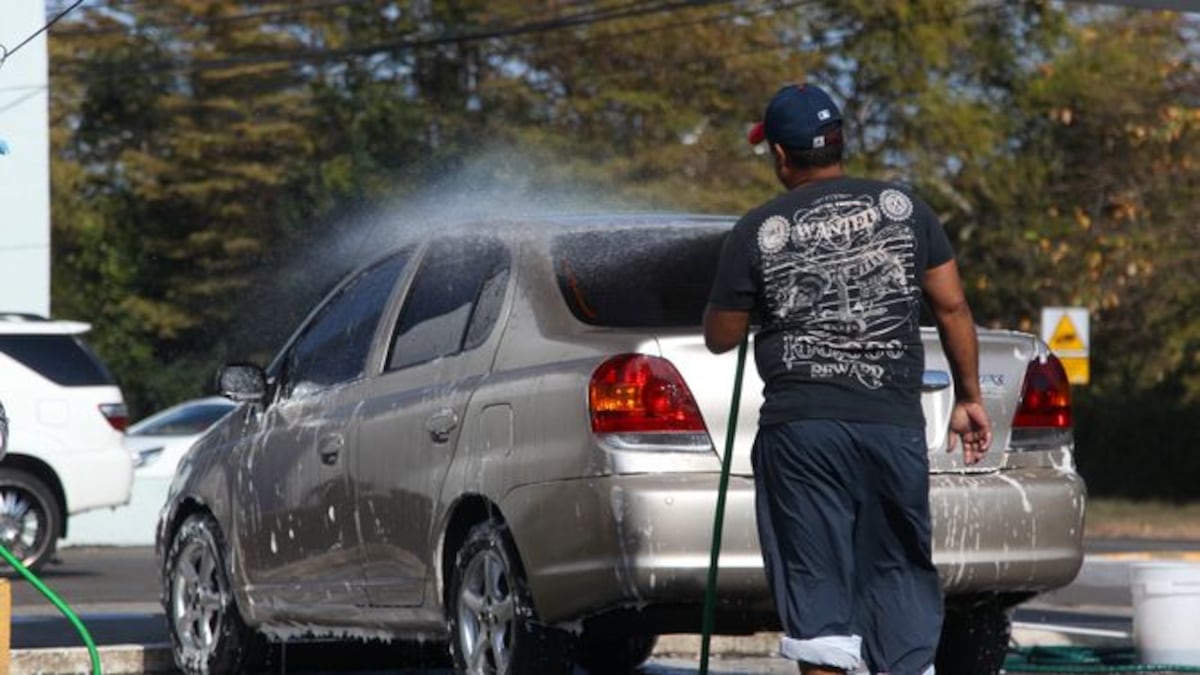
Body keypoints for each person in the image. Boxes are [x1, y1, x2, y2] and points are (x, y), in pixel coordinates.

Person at [703, 83, 993, 675]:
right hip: (891, 428)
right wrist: (968, 397)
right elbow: (953, 307)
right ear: (838, 143)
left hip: (803, 435)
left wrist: (741, 300)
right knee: (897, 573)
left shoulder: (758, 229)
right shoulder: (906, 210)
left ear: (781, 156)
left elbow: (721, 337)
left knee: (817, 592)